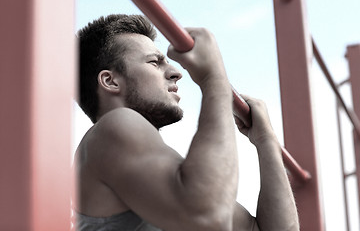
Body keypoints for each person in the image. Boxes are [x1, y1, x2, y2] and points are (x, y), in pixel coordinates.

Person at [73, 14, 299, 231]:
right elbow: (209, 216)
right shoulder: (113, 125)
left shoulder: (158, 168)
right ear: (110, 81)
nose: (175, 72)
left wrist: (265, 140)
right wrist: (214, 78)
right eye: (154, 62)